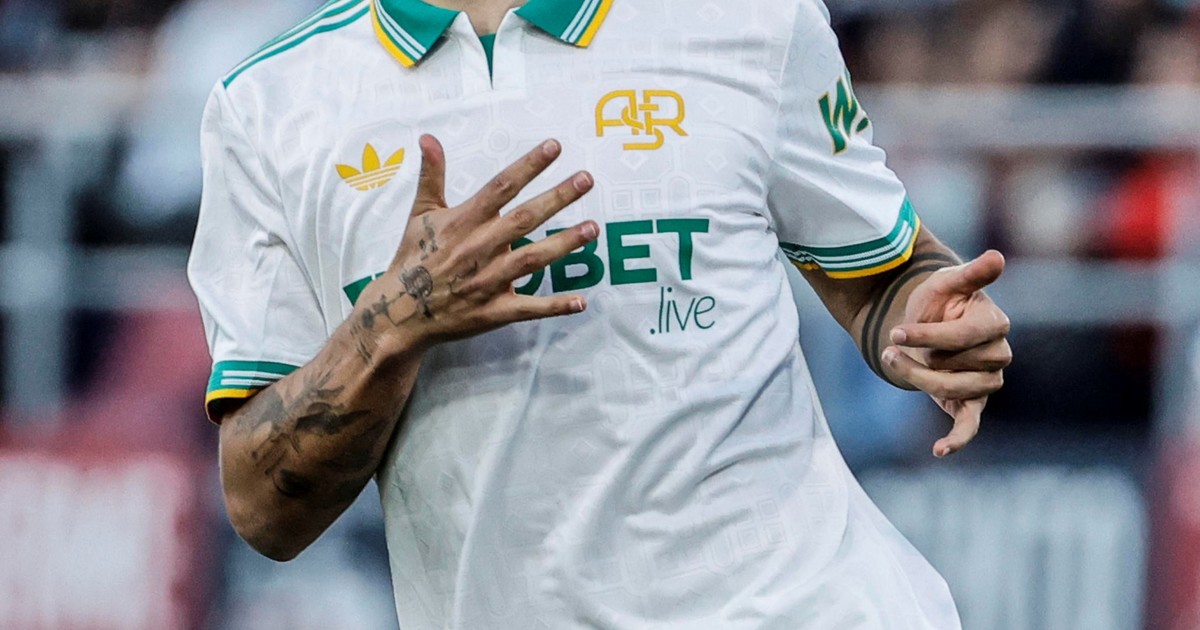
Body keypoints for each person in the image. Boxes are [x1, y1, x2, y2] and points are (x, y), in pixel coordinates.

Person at [188, 0, 1012, 627]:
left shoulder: (751, 21)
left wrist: (926, 317)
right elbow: (262, 509)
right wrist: (392, 326)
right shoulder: (269, 106)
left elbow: (883, 270)